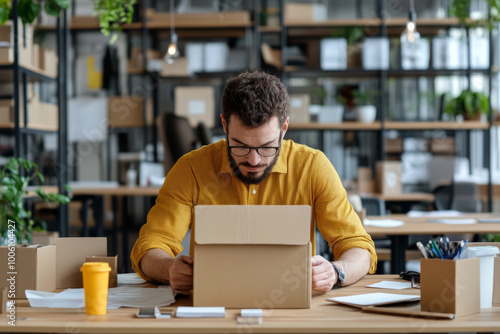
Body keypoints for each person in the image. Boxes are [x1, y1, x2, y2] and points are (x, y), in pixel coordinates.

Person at [131, 70, 377, 294]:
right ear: (225, 125)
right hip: (212, 307)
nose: (254, 159)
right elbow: (150, 247)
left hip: (293, 307)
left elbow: (358, 247)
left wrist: (335, 272)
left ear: (284, 128)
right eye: (240, 146)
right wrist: (169, 269)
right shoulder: (191, 169)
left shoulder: (312, 167)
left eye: (267, 146)